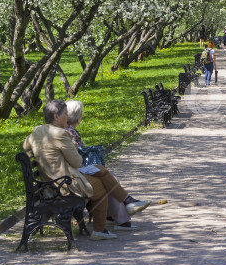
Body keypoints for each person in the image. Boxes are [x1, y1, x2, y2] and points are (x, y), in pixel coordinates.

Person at [23, 100, 150, 241]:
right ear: (55, 116)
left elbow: (26, 147)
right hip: (63, 184)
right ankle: (100, 229)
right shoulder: (60, 134)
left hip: (51, 180)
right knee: (100, 186)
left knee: (100, 169)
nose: (67, 117)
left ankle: (128, 202)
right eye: (65, 114)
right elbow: (77, 162)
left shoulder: (38, 130)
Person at [65, 100, 149, 231]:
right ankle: (123, 212)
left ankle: (116, 215)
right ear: (78, 116)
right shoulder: (68, 132)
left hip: (72, 172)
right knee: (108, 179)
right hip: (72, 175)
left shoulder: (66, 130)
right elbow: (76, 159)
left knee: (107, 177)